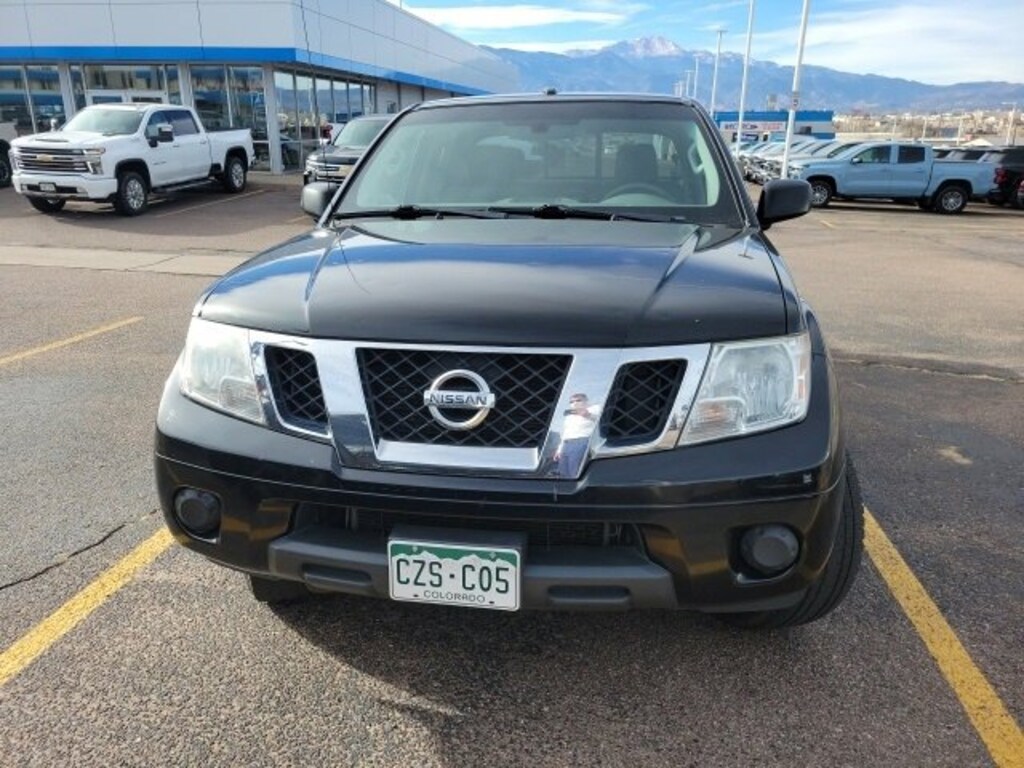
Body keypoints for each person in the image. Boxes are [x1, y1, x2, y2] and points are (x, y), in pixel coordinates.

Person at [554, 393, 600, 476]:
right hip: (566, 444)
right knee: (563, 473)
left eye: (578, 400)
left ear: (586, 401)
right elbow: (565, 433)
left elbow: (600, 420)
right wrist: (559, 450)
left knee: (575, 471)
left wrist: (588, 415)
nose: (575, 403)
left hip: (581, 441)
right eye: (571, 402)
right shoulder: (569, 417)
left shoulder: (594, 409)